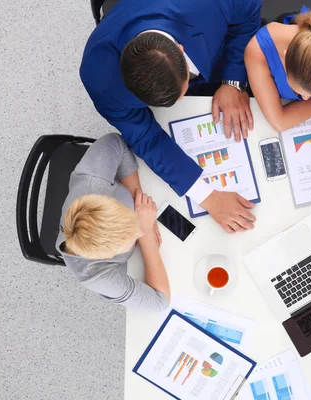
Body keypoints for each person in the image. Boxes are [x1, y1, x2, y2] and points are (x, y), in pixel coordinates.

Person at [80, 0, 261, 234]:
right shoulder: (99, 78)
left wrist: (233, 82)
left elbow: (249, 10)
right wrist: (206, 196)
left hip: (219, 57)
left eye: (181, 92)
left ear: (181, 49)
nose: (181, 101)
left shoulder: (210, 5)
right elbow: (147, 138)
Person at [56, 133, 170, 311]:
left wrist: (136, 196)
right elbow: (159, 303)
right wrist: (146, 234)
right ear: (109, 255)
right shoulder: (95, 275)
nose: (137, 230)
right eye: (133, 236)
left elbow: (115, 142)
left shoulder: (93, 181)